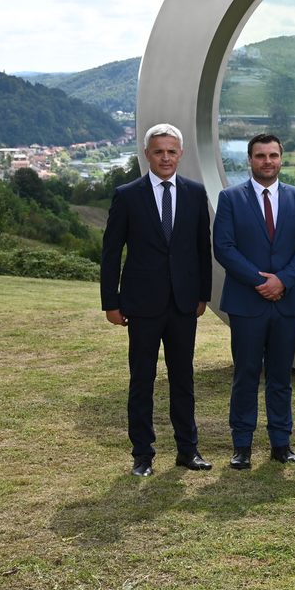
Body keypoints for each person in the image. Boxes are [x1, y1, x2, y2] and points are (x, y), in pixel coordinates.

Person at [100, 123, 213, 476]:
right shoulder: (128, 194)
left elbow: (201, 249)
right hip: (141, 305)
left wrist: (203, 296)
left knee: (183, 379)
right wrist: (110, 302)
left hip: (183, 304)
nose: (165, 157)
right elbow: (110, 251)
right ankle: (143, 455)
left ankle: (187, 450)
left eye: (171, 151)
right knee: (142, 381)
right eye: (159, 151)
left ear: (181, 154)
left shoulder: (195, 194)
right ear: (147, 154)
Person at [213, 133, 295, 468]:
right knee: (245, 374)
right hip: (247, 302)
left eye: (273, 155)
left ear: (281, 159)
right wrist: (262, 282)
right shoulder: (230, 198)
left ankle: (281, 443)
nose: (267, 161)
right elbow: (224, 248)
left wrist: (283, 281)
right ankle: (241, 445)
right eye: (261, 156)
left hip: (286, 303)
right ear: (250, 160)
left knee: (280, 376)